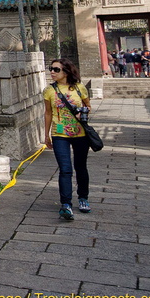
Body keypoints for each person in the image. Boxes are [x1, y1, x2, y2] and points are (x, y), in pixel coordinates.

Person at [44, 58, 93, 220]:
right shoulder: (49, 91)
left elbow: (88, 106)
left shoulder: (79, 88)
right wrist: (46, 135)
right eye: (51, 69)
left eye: (56, 69)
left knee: (80, 167)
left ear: (66, 71)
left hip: (79, 133)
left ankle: (83, 198)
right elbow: (48, 113)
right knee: (65, 169)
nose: (52, 72)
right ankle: (65, 204)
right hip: (59, 134)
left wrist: (82, 112)